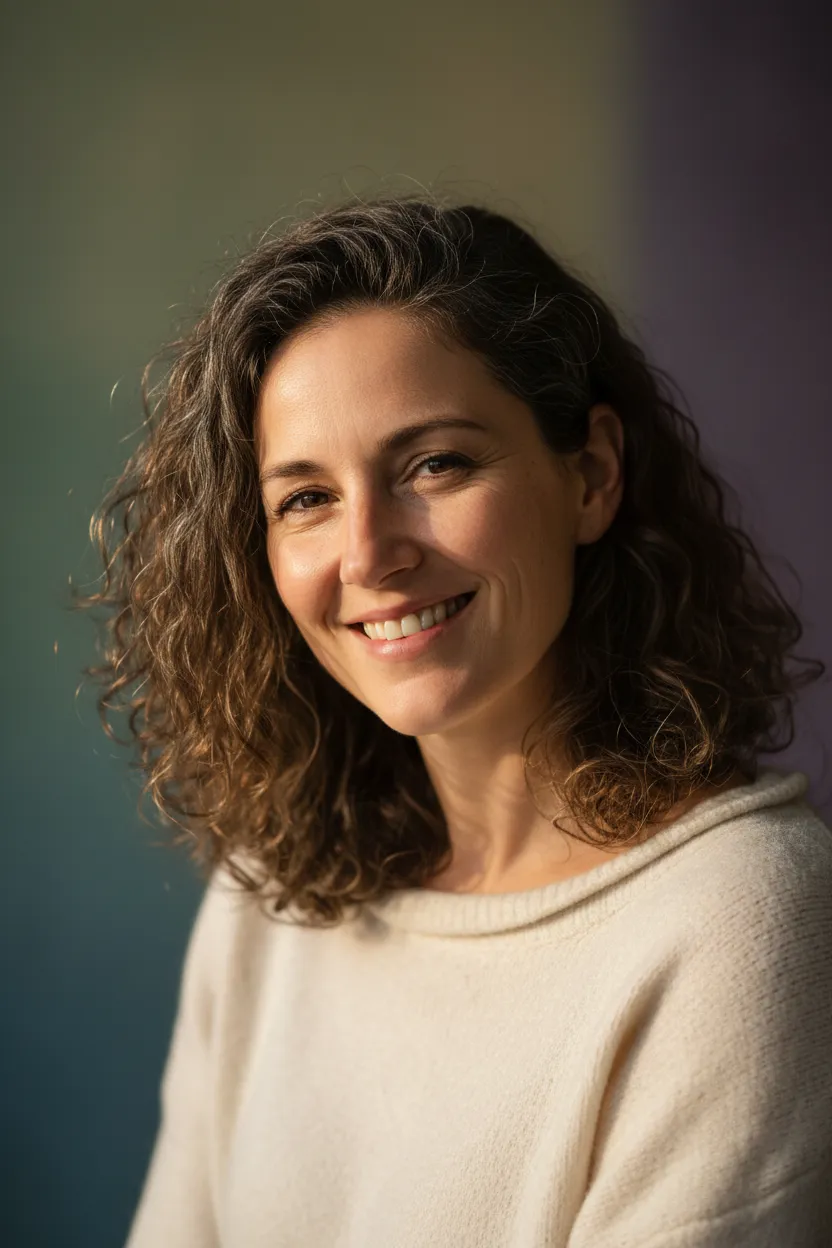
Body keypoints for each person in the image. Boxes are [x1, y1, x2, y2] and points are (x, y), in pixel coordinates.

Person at [80, 193, 832, 1246]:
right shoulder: (267, 904)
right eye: (306, 499)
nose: (368, 554)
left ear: (592, 475)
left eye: (434, 464)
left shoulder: (742, 922)